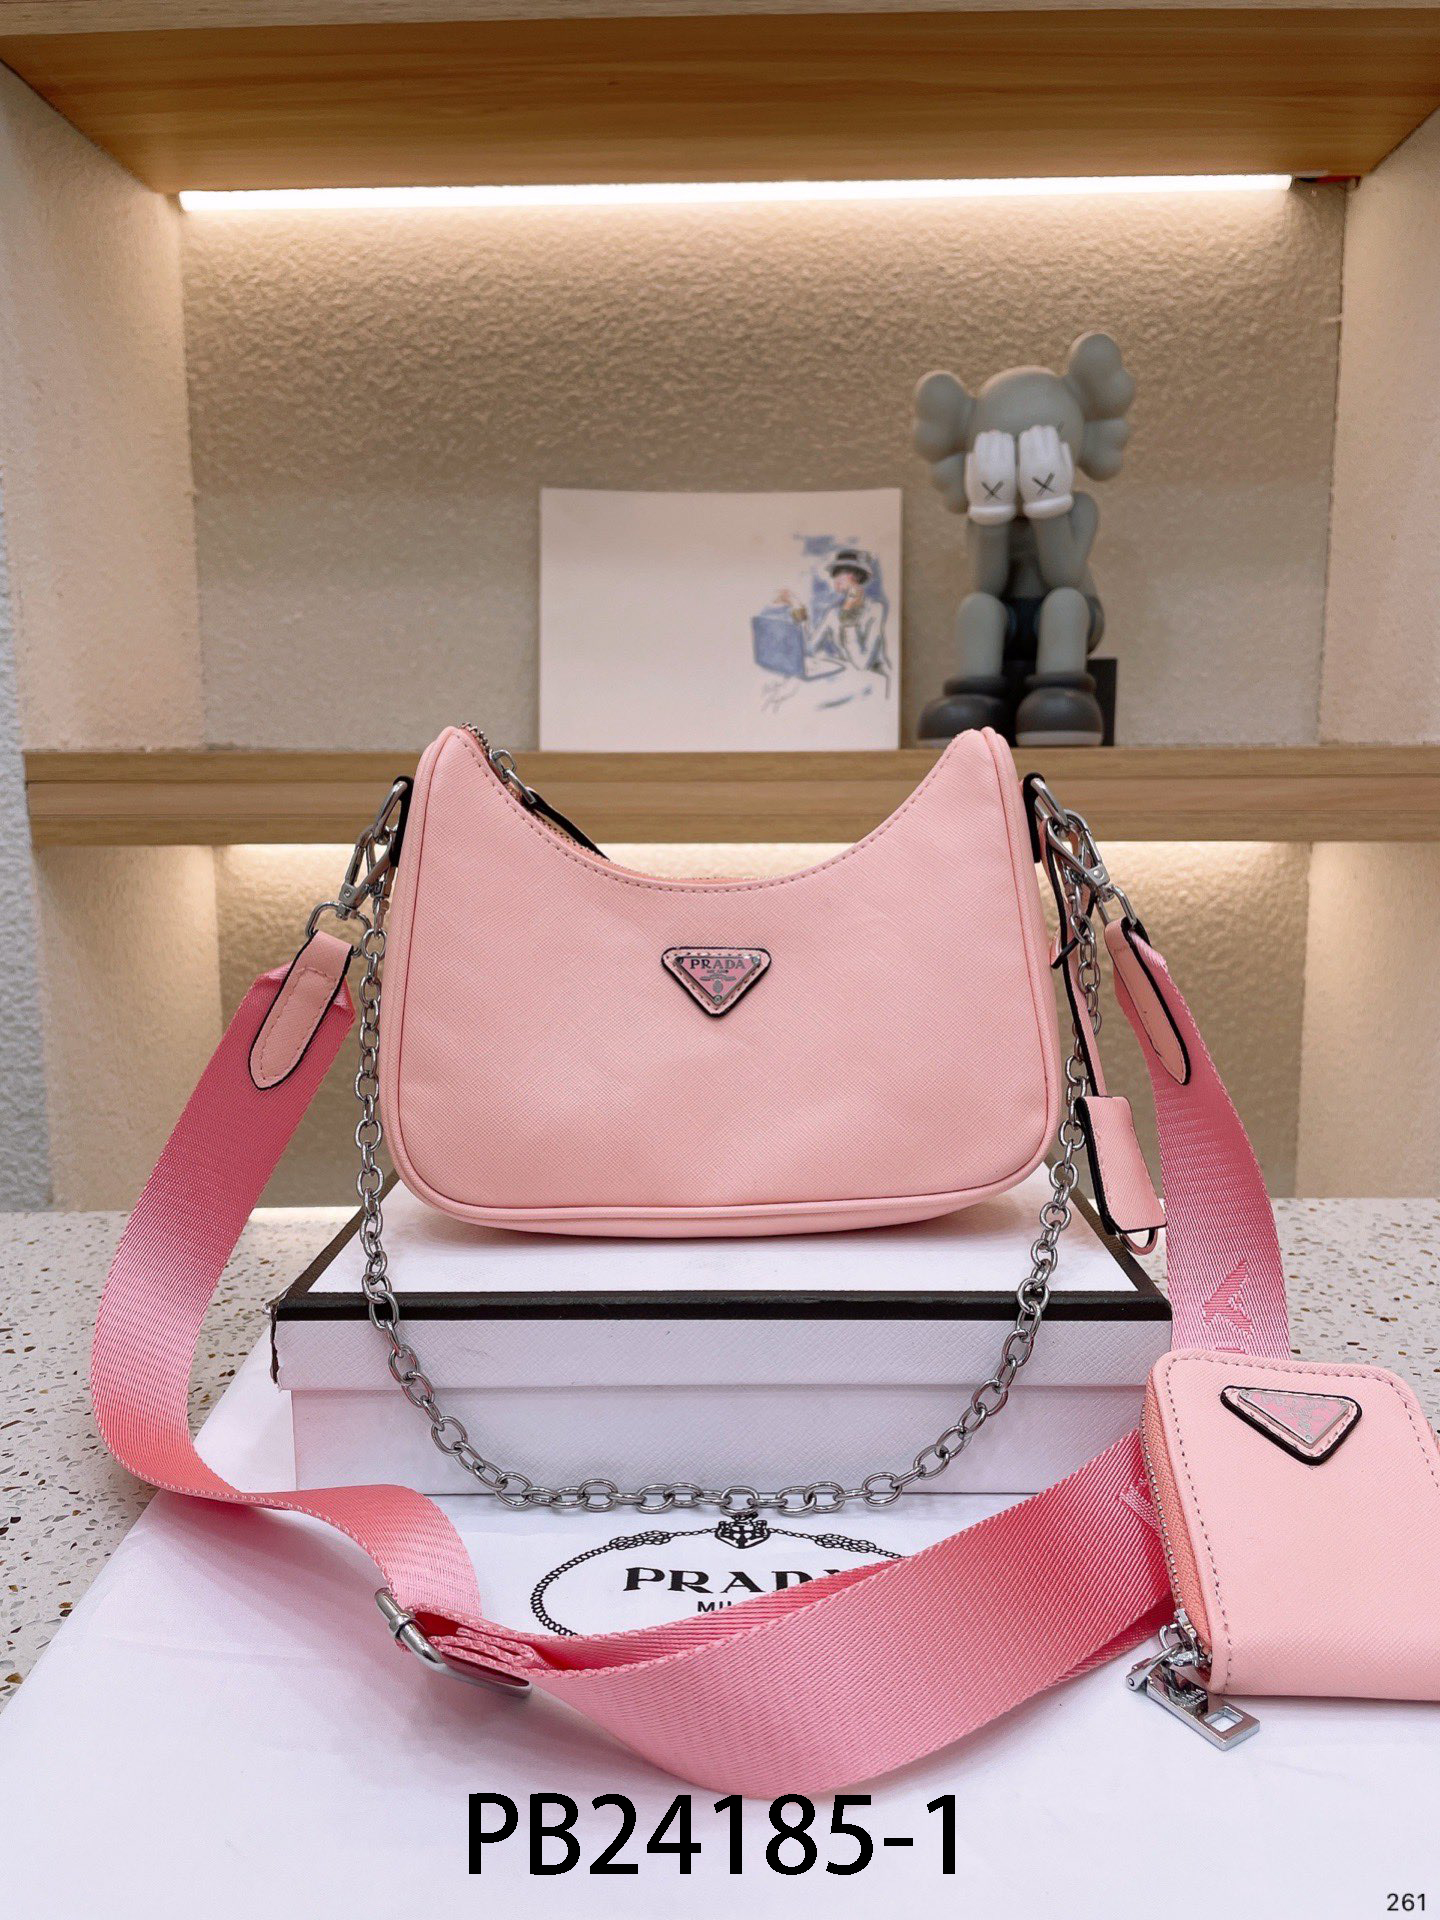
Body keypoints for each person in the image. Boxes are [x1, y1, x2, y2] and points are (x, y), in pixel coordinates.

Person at [776, 548, 891, 691]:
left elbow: (861, 664)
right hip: (848, 679)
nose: (836, 578)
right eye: (835, 573)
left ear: (856, 576)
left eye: (841, 572)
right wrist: (797, 606)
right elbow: (809, 648)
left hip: (875, 682)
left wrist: (848, 613)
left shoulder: (875, 609)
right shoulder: (833, 612)